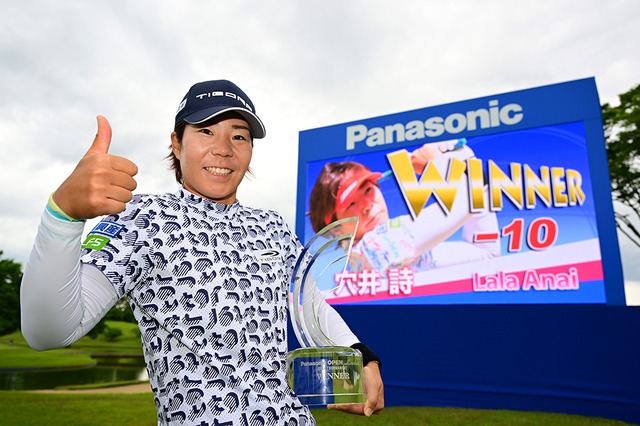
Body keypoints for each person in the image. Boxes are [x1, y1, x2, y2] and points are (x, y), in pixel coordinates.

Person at [20, 80, 383, 425]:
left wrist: (360, 354)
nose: (224, 148)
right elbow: (47, 331)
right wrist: (62, 217)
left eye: (238, 136)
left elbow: (311, 304)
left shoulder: (272, 225)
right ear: (177, 144)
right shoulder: (139, 219)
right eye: (206, 130)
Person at [308, 141, 501, 284]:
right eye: (350, 204)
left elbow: (485, 254)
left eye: (368, 190)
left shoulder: (399, 250)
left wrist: (462, 158)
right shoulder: (373, 248)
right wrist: (438, 163)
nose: (367, 205)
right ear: (336, 229)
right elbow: (470, 201)